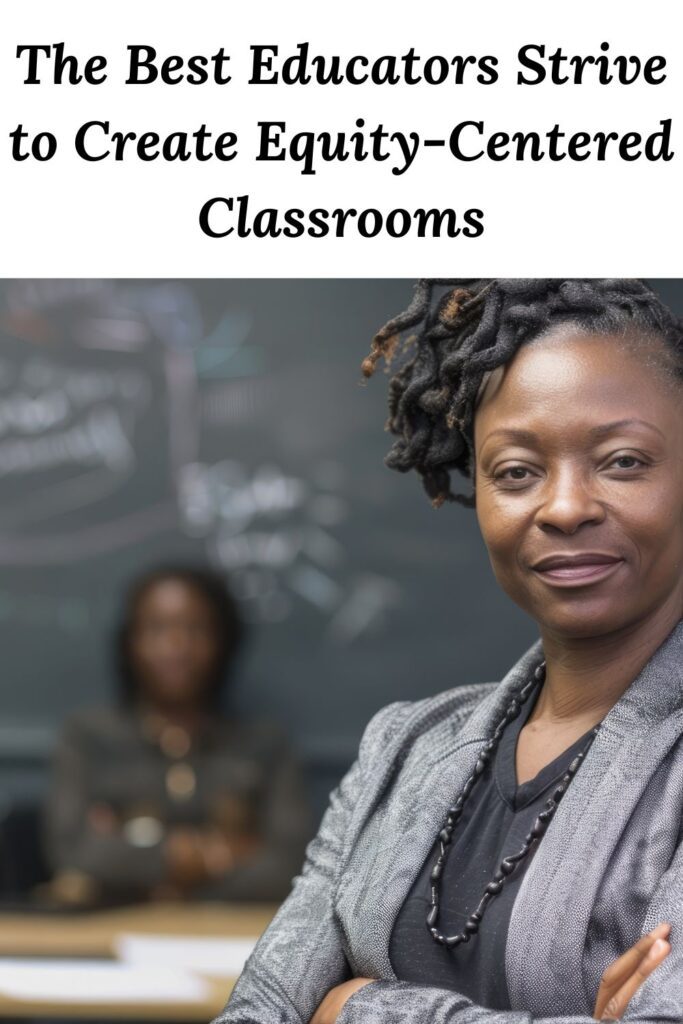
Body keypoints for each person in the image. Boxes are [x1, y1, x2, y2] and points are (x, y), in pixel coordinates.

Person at [214, 278, 683, 1024]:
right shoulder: (402, 750)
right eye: (516, 472)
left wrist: (355, 1009)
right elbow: (260, 1009)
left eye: (622, 461)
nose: (563, 507)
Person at [43, 564, 312, 904]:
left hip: (230, 939)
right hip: (110, 938)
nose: (176, 646)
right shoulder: (87, 737)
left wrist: (146, 877)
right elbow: (71, 850)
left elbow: (291, 865)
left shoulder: (265, 744)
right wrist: (190, 859)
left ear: (222, 641)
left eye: (195, 629)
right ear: (130, 642)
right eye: (157, 629)